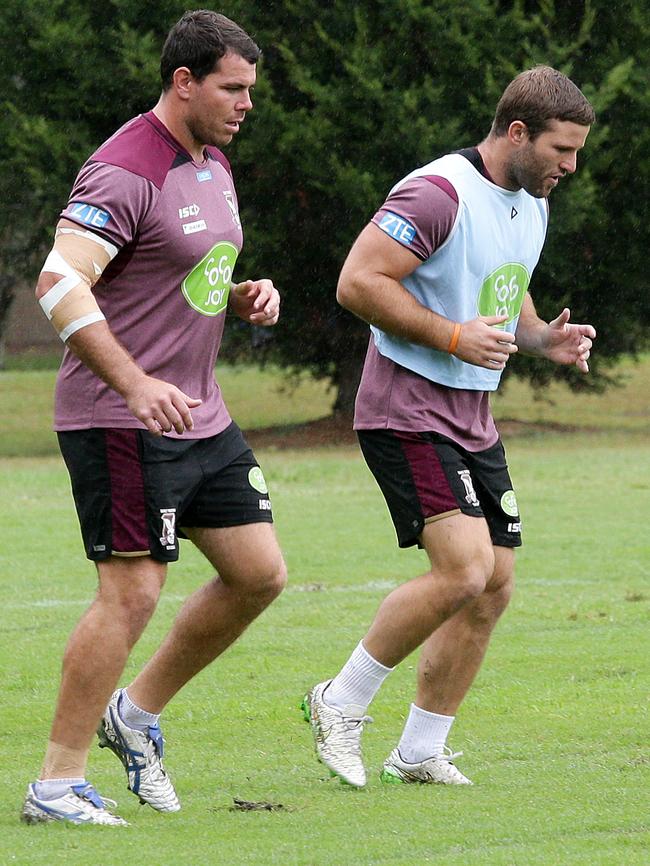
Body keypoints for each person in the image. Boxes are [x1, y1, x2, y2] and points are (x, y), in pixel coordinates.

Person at [22, 10, 287, 826]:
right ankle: (56, 786)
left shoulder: (212, 162)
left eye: (250, 90)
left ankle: (132, 714)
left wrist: (237, 296)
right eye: (231, 89)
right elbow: (59, 283)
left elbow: (174, 270)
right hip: (120, 416)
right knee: (132, 591)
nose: (246, 104)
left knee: (258, 574)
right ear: (183, 82)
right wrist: (136, 384)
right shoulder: (123, 169)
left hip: (198, 414)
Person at [303, 66, 596, 788]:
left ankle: (420, 749)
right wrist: (451, 337)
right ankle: (339, 702)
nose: (571, 166)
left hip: (470, 415)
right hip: (407, 409)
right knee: (463, 568)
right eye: (562, 149)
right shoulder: (437, 193)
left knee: (494, 583)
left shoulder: (529, 200)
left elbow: (503, 283)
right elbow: (357, 282)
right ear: (517, 131)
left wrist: (539, 340)